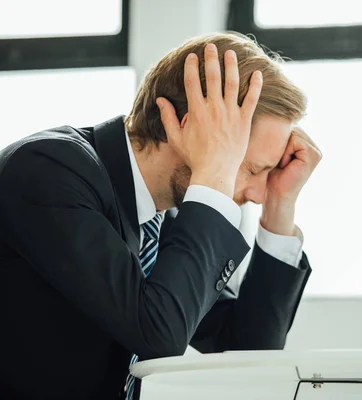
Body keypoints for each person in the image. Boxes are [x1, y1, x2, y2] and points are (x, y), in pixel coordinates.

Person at [0, 31, 321, 399]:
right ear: (189, 128)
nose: (255, 195)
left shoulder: (158, 218)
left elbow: (248, 349)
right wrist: (214, 175)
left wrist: (280, 208)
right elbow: (158, 334)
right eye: (246, 168)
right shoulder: (49, 172)